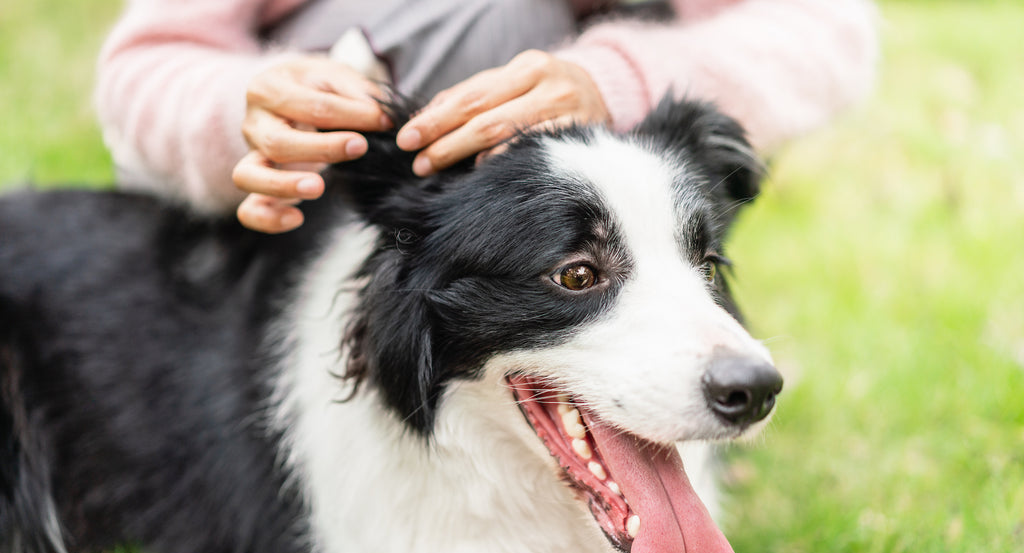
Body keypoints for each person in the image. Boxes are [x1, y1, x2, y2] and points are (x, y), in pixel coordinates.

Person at [95, 0, 878, 233]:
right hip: (281, 236)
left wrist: (615, 79)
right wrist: (247, 111)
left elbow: (824, 32)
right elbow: (144, 64)